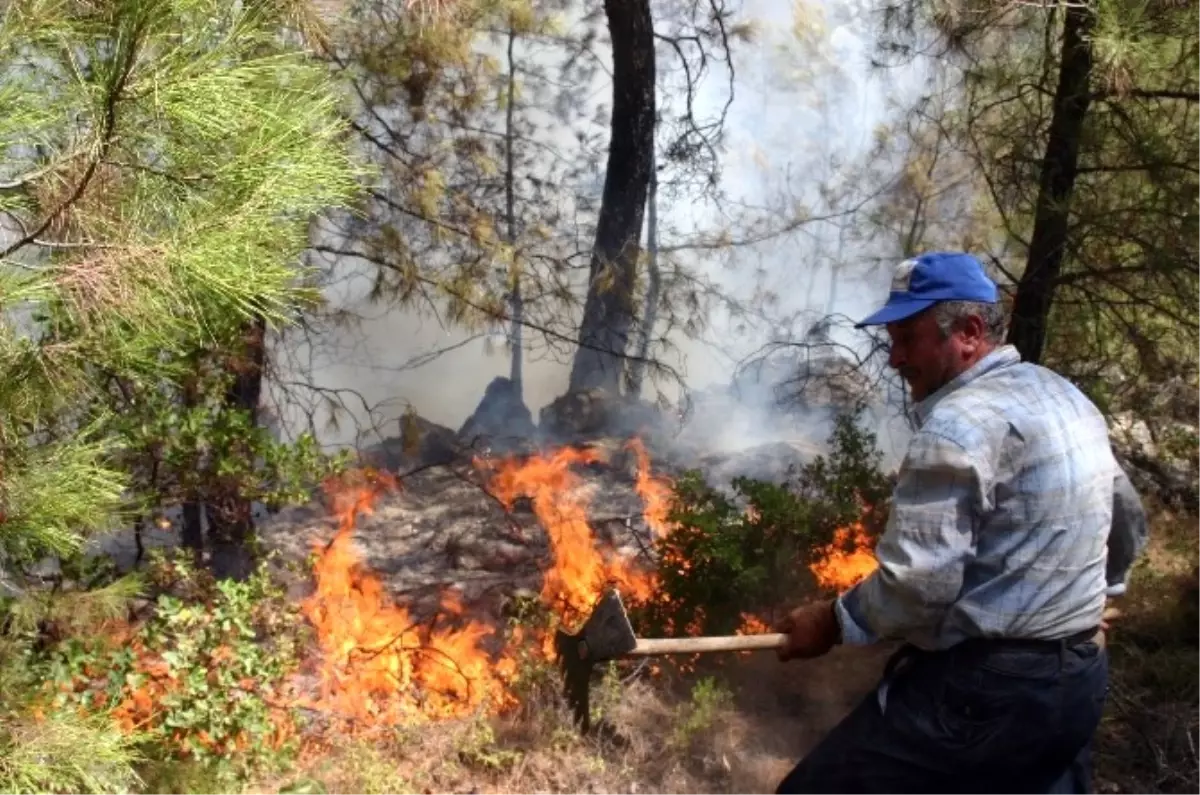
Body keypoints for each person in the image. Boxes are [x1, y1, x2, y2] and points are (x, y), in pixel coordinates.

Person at [773, 251, 1149, 795]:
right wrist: (1087, 606)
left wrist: (830, 622)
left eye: (908, 338)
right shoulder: (1066, 396)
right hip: (1077, 681)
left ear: (970, 331)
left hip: (983, 697)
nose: (895, 359)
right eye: (892, 341)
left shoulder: (956, 427)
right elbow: (1127, 521)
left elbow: (917, 588)